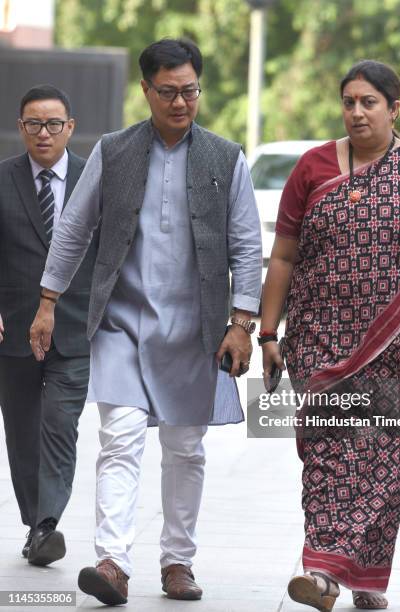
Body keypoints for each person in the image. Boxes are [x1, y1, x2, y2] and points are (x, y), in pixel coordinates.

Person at [29, 38, 261, 606]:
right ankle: (112, 562)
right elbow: (74, 229)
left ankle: (178, 562)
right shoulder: (115, 150)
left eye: (189, 91)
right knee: (120, 438)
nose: (180, 102)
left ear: (199, 89)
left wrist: (242, 321)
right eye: (168, 92)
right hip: (122, 326)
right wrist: (47, 300)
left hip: (195, 331)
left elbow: (247, 244)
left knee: (185, 449)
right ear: (146, 90)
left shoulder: (225, 158)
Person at [260, 60, 400, 611]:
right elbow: (284, 255)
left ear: (395, 108)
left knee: (383, 455)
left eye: (369, 102)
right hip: (318, 339)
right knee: (328, 457)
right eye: (349, 102)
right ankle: (333, 570)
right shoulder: (311, 168)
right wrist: (268, 331)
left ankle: (343, 575)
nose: (357, 112)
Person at [0, 85, 97, 566]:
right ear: (21, 128)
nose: (44, 133)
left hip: (76, 328)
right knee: (21, 432)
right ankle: (35, 523)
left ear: (70, 127)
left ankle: (46, 525)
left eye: (54, 124)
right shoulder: (1, 179)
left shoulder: (94, 179)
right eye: (34, 124)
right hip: (12, 331)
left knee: (60, 425)